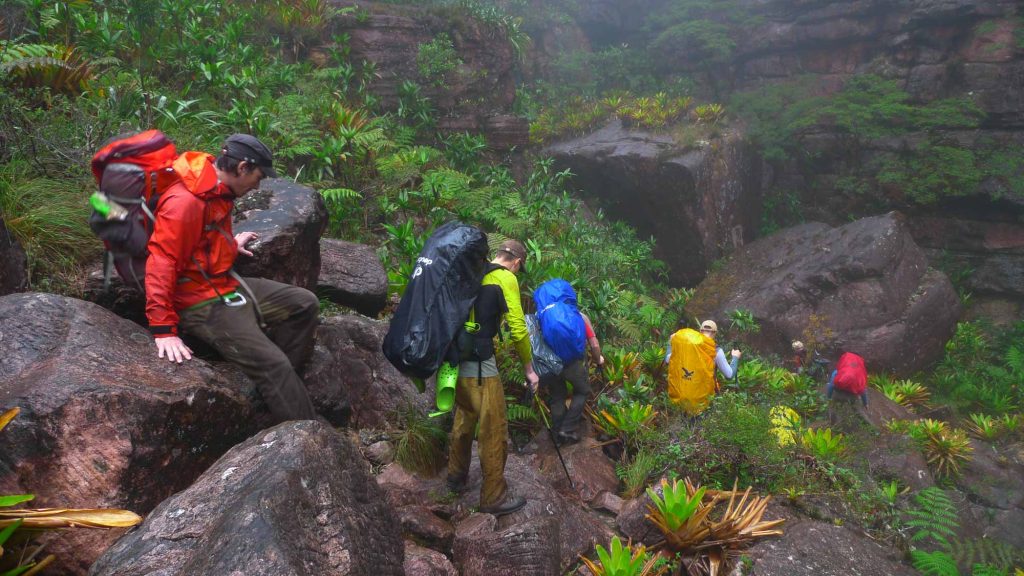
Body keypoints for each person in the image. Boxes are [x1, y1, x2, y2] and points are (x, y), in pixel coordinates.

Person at [147, 134, 318, 423]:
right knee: (275, 364)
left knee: (304, 303)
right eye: (258, 177)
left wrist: (229, 245)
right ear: (242, 168)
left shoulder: (216, 191)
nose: (257, 186)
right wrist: (163, 329)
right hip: (200, 303)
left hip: (223, 283)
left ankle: (278, 391)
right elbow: (161, 262)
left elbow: (204, 239)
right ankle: (306, 434)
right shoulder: (185, 202)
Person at [446, 239, 539, 516]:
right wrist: (529, 370)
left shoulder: (473, 270)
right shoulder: (505, 278)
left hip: (454, 358)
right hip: (480, 364)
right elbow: (518, 330)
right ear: (517, 263)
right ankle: (493, 497)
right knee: (494, 427)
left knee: (465, 415)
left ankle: (455, 477)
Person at [543, 312, 604, 445]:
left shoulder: (545, 315)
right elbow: (593, 343)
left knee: (557, 396)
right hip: (573, 363)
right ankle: (567, 429)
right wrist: (598, 359)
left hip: (551, 363)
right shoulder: (579, 316)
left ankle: (557, 436)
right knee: (582, 391)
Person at [664, 320, 741, 380]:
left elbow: (667, 360)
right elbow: (729, 375)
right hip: (704, 394)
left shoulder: (687, 346)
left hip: (683, 391)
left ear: (700, 331)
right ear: (715, 333)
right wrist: (735, 357)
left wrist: (671, 342)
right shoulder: (716, 351)